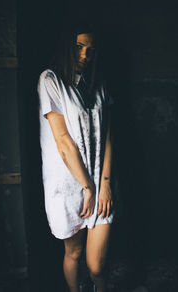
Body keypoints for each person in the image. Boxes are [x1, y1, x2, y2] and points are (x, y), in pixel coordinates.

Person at [37, 23, 116, 292]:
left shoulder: (99, 83)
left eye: (91, 49)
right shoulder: (50, 80)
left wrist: (103, 184)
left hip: (99, 181)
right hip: (69, 186)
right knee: (73, 254)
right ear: (67, 47)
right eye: (79, 47)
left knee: (96, 265)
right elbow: (63, 141)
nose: (84, 54)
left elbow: (108, 135)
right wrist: (87, 187)